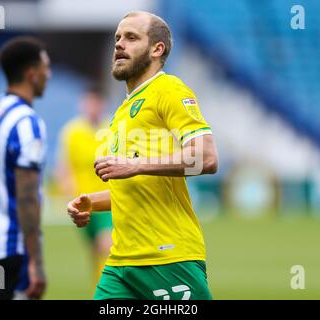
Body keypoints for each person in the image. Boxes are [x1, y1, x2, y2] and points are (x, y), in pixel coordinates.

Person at [67, 11, 219, 300]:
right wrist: (91, 201)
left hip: (167, 257)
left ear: (156, 49)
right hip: (121, 264)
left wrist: (135, 165)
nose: (119, 44)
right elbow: (134, 186)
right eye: (117, 38)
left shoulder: (168, 89)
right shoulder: (121, 112)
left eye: (131, 37)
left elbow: (207, 158)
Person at [0, 36, 51, 300]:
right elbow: (26, 197)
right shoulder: (28, 122)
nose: (49, 74)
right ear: (32, 74)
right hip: (10, 249)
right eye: (45, 67)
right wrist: (36, 261)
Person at [55, 87, 113, 287]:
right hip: (83, 202)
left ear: (102, 104)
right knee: (95, 250)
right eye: (88, 102)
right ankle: (100, 288)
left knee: (107, 244)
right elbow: (64, 167)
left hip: (107, 201)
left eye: (95, 102)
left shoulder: (112, 129)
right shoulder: (72, 132)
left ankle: (109, 291)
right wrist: (67, 192)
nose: (92, 107)